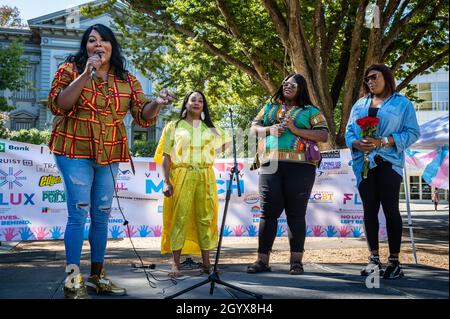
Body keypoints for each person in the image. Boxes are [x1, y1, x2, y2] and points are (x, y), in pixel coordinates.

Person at [48, 24, 174, 299]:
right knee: (79, 212)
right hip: (74, 149)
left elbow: (143, 115)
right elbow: (60, 104)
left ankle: (97, 275)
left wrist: (159, 102)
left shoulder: (126, 79)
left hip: (110, 151)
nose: (98, 44)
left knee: (102, 214)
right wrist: (85, 74)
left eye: (104, 40)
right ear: (86, 47)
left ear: (111, 47)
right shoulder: (70, 70)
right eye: (92, 40)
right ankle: (73, 280)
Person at [246, 74, 329, 275]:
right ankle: (262, 261)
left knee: (296, 214)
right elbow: (253, 129)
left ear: (301, 88)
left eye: (292, 84)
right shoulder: (270, 107)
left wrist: (295, 129)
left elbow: (323, 135)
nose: (287, 87)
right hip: (270, 166)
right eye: (284, 84)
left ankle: (296, 262)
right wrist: (270, 129)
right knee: (267, 214)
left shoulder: (311, 111)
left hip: (301, 167)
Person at [345, 63, 420, 279]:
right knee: (369, 209)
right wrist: (356, 143)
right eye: (367, 79)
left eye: (374, 77)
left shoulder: (402, 103)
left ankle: (395, 262)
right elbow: (349, 131)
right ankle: (373, 259)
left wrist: (385, 141)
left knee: (390, 209)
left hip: (389, 162)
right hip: (363, 163)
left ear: (386, 78)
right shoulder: (360, 103)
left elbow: (413, 132)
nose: (370, 81)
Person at [154, 91, 230, 278]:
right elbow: (165, 157)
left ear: (204, 106)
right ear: (186, 103)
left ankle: (207, 264)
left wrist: (212, 150)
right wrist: (166, 181)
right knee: (179, 217)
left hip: (205, 175)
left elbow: (225, 144)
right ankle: (175, 264)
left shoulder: (209, 128)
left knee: (205, 217)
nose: (197, 103)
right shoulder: (173, 126)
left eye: (201, 101)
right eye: (193, 99)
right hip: (181, 174)